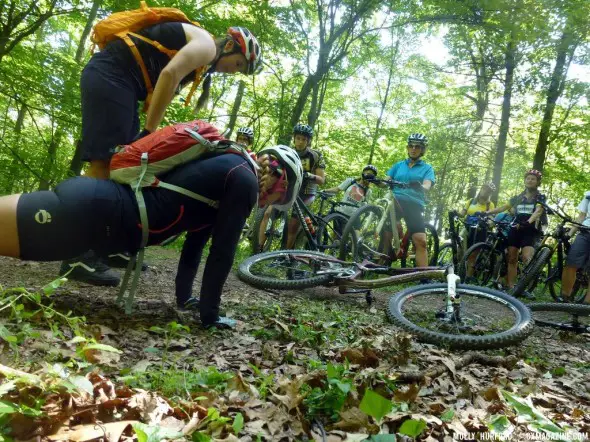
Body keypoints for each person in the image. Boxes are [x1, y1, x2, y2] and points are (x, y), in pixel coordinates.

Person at [0, 141, 302, 329]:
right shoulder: (243, 181)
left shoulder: (231, 168)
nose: (270, 204)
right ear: (279, 181)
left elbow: (196, 241)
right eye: (278, 199)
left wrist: (187, 300)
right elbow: (222, 252)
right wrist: (211, 317)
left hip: (97, 210)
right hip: (94, 215)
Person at [64, 23, 262, 284]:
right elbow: (169, 75)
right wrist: (149, 131)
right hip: (111, 76)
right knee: (104, 165)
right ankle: (77, 252)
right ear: (228, 46)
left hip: (122, 84)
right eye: (237, 64)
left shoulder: (202, 59)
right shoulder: (204, 45)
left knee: (121, 169)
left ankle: (107, 245)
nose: (233, 72)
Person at [257, 124, 326, 251]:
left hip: (305, 192)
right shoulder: (286, 152)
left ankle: (285, 255)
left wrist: (309, 175)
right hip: (288, 188)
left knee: (293, 225)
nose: (300, 142)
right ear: (294, 138)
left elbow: (321, 180)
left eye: (304, 139)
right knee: (267, 213)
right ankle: (259, 248)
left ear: (308, 141)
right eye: (298, 138)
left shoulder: (316, 156)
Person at [485, 169, 546, 296]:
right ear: (525, 181)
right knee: (512, 258)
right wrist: (487, 213)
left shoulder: (540, 197)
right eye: (528, 178)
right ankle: (512, 287)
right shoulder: (518, 197)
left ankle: (526, 288)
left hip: (530, 230)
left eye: (533, 179)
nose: (530, 180)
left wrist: (528, 222)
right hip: (515, 228)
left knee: (526, 258)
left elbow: (538, 211)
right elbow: (503, 207)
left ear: (537, 182)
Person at [382, 133, 435, 267]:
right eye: (411, 146)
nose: (413, 149)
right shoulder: (398, 165)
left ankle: (423, 278)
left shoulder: (427, 168)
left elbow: (427, 185)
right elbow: (385, 182)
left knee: (421, 241)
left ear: (422, 150)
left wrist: (421, 186)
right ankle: (382, 265)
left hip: (414, 204)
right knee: (386, 234)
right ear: (407, 147)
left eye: (417, 146)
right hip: (396, 201)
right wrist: (373, 179)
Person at [459, 182, 496, 280]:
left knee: (473, 254)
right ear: (481, 189)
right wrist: (456, 213)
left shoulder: (490, 204)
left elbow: (491, 216)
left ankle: (468, 277)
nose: (486, 192)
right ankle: (458, 270)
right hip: (467, 228)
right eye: (484, 189)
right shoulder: (471, 201)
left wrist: (489, 223)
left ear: (490, 193)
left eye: (489, 191)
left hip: (480, 230)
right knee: (460, 247)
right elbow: (463, 213)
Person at [559, 191, 590, 303]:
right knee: (571, 263)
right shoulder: (588, 194)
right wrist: (570, 233)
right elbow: (581, 216)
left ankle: (586, 305)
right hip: (585, 231)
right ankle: (565, 297)